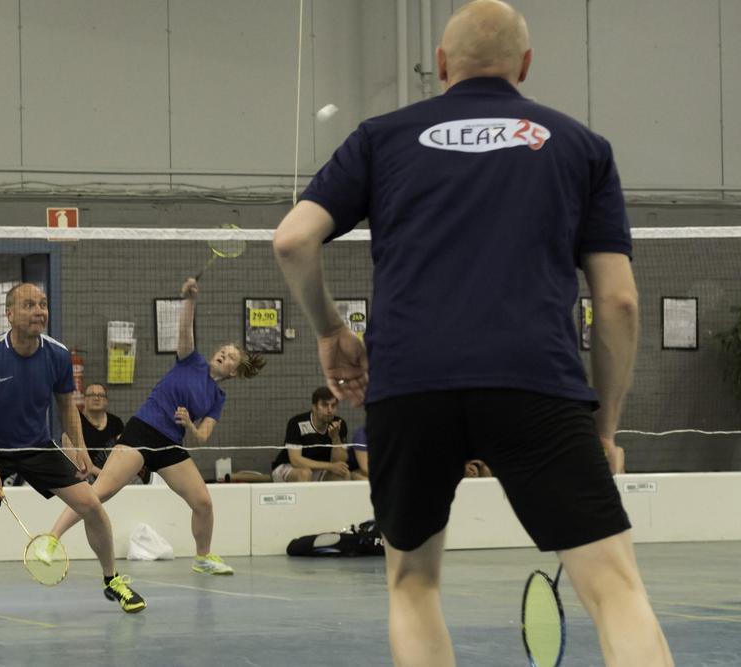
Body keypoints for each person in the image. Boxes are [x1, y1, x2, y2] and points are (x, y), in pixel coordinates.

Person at [273, 1, 673, 665]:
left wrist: (331, 329)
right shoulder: (582, 147)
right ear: (525, 64)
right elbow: (620, 302)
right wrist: (603, 429)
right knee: (614, 589)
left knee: (412, 584)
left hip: (408, 386)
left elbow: (292, 240)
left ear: (440, 65)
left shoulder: (381, 137)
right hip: (536, 384)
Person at [0, 283, 146, 620]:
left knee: (91, 505)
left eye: (42, 304)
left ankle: (112, 580)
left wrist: (79, 447)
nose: (39, 311)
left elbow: (67, 405)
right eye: (29, 305)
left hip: (37, 445)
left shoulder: (57, 355)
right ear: (10, 314)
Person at [48, 277, 265, 575]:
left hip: (170, 445)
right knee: (100, 492)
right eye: (223, 350)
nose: (223, 354)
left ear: (234, 372)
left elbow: (202, 436)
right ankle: (52, 539)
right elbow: (185, 330)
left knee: (203, 502)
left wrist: (189, 424)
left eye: (230, 357)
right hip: (143, 431)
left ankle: (203, 557)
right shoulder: (191, 361)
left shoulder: (218, 397)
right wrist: (189, 299)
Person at [271, 387, 351, 482]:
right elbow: (295, 460)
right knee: (305, 473)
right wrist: (330, 466)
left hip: (317, 468)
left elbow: (340, 461)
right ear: (314, 407)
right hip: (288, 466)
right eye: (324, 405)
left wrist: (335, 438)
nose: (330, 410)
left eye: (333, 405)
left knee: (344, 474)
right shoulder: (297, 423)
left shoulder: (339, 424)